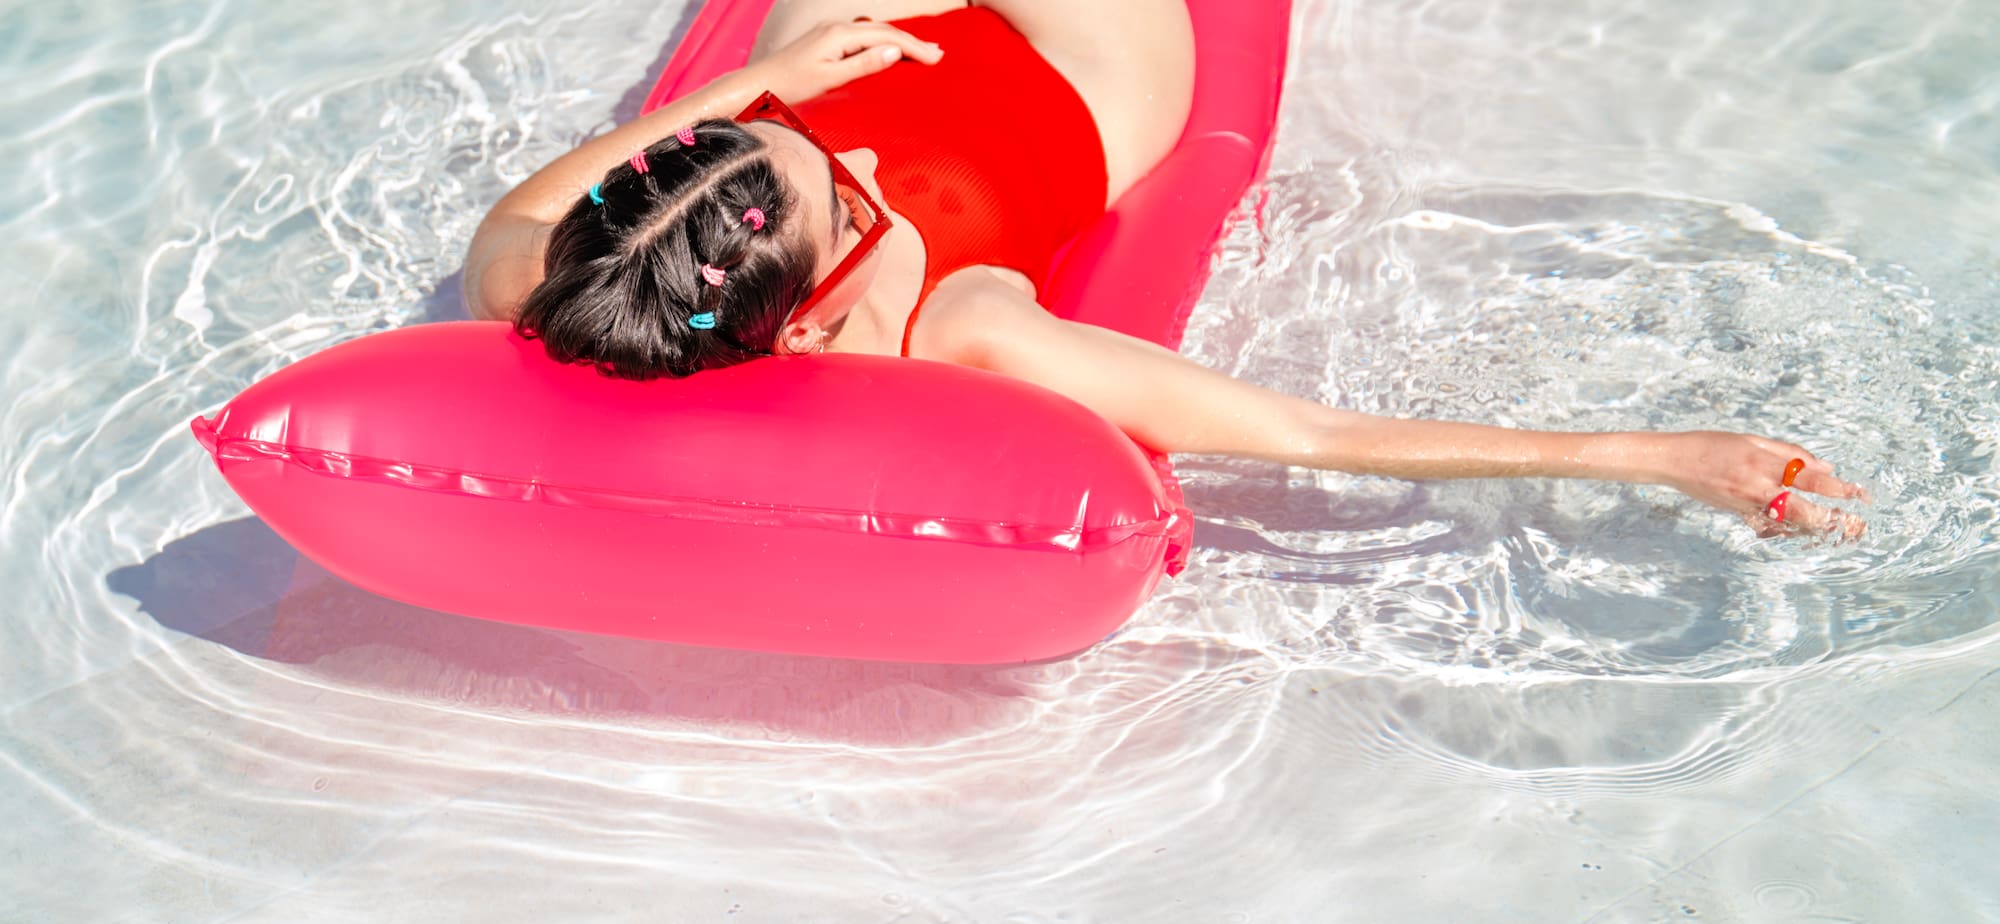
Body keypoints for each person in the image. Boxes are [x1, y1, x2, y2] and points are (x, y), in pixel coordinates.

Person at [463, 0, 1866, 536]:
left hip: (839, 35)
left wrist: (768, 82)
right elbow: (1311, 433)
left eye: (762, 142)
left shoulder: (582, 273)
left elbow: (512, 228)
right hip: (1077, 65)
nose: (867, 167)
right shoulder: (958, 327)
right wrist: (1660, 456)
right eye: (852, 196)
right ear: (805, 297)